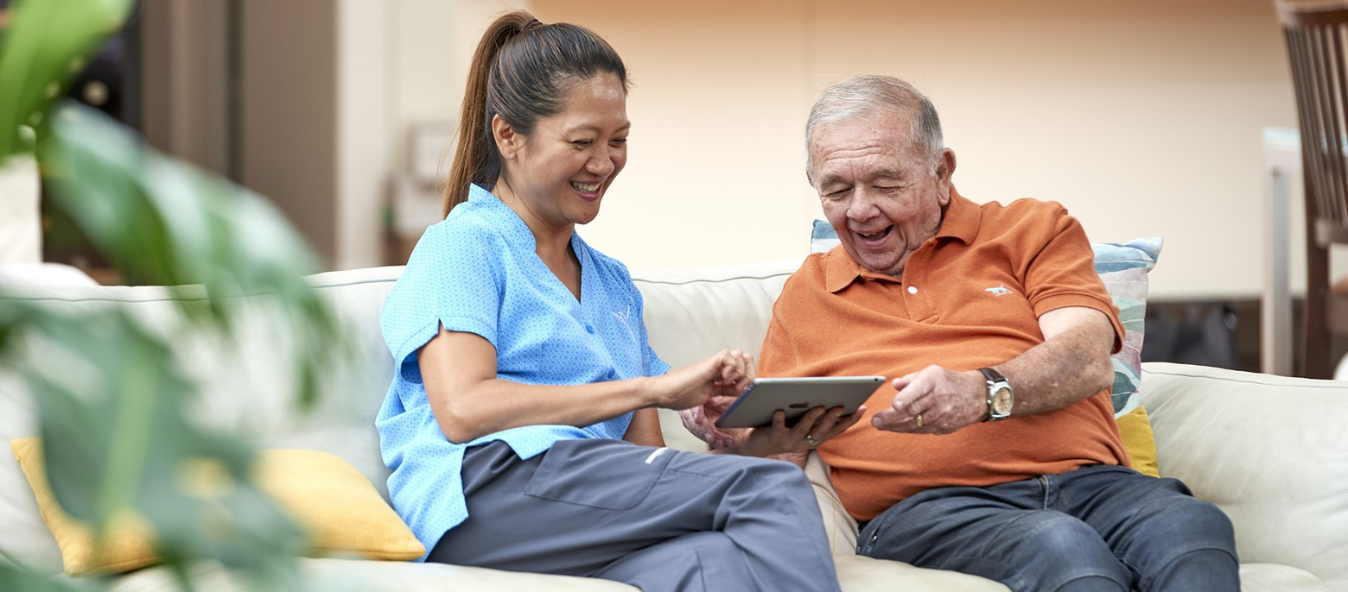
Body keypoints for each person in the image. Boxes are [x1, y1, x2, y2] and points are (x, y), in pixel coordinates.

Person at [686, 75, 1240, 591]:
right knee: (1061, 546)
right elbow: (786, 449)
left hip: (1095, 484)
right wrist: (730, 436)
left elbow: (1086, 355)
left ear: (942, 171)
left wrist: (982, 391)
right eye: (836, 190)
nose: (860, 210)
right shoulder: (807, 294)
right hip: (928, 510)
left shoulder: (1031, 230)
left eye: (885, 182)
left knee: (1190, 527)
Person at [375, 12, 859, 592]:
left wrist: (755, 443)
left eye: (619, 140)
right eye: (582, 141)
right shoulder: (462, 245)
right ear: (509, 136)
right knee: (772, 492)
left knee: (713, 564)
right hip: (486, 489)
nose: (604, 163)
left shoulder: (610, 284)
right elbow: (461, 409)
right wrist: (654, 387)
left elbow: (644, 460)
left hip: (575, 510)